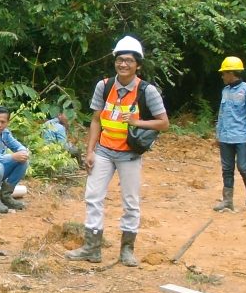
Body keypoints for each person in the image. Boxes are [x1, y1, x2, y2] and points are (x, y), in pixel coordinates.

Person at [65, 36, 170, 266]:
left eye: (129, 61)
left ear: (138, 65)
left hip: (129, 154)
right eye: (120, 60)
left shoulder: (147, 91)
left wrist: (137, 122)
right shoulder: (104, 86)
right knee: (93, 197)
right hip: (103, 150)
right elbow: (95, 120)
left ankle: (127, 250)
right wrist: (90, 151)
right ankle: (92, 248)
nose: (123, 64)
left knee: (130, 202)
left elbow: (164, 123)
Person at [212, 56, 246, 211]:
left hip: (242, 136)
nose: (222, 76)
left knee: (243, 166)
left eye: (224, 73)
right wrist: (218, 134)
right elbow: (221, 114)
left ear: (232, 73)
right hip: (226, 136)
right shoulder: (225, 91)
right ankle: (227, 201)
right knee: (227, 169)